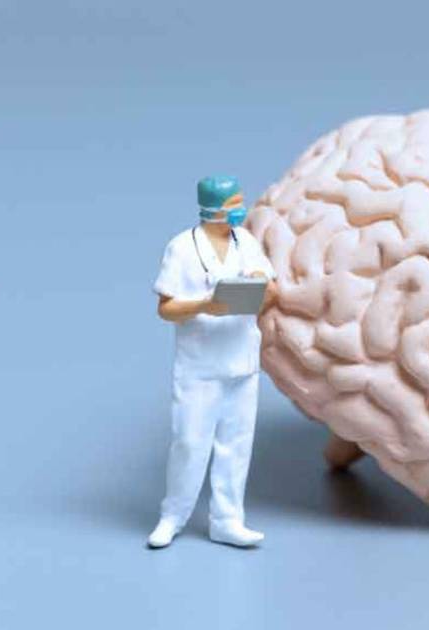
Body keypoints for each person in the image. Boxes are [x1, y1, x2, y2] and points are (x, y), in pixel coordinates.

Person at [147, 175, 276, 549]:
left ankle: (227, 520)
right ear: (211, 208)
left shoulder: (246, 242)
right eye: (233, 204)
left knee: (236, 444)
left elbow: (271, 291)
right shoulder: (181, 248)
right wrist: (205, 305)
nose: (240, 210)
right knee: (189, 442)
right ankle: (173, 516)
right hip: (200, 367)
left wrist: (257, 283)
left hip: (242, 362)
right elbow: (166, 308)